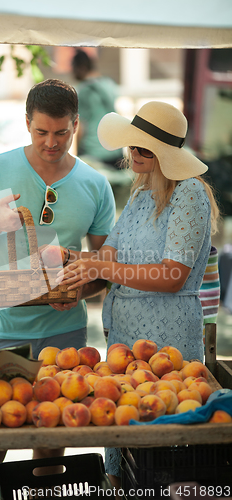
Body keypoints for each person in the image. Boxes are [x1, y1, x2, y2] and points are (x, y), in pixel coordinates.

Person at [0, 78, 116, 500]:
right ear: (27, 124)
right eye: (42, 132)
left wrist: (81, 290)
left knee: (48, 455)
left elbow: (104, 268)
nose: (52, 142)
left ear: (76, 125)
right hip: (2, 330)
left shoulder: (95, 184)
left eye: (61, 132)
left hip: (64, 336)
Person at [57, 101, 220, 496]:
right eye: (133, 146)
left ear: (167, 154)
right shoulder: (141, 192)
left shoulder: (190, 195)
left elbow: (171, 275)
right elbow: (110, 254)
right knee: (123, 449)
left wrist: (100, 269)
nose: (134, 155)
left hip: (167, 342)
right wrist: (73, 265)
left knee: (161, 456)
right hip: (124, 340)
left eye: (145, 149)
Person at [71, 49, 122, 169]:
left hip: (93, 154)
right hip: (115, 150)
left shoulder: (84, 91)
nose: (72, 73)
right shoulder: (109, 84)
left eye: (73, 69)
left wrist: (78, 156)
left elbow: (81, 127)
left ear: (81, 67)